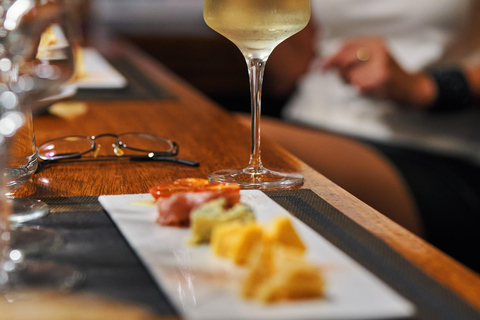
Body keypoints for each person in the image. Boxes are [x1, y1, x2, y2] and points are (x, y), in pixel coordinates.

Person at [261, 0, 480, 273]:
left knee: (245, 141)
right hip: (307, 126)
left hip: (428, 152)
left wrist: (424, 86)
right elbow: (288, 73)